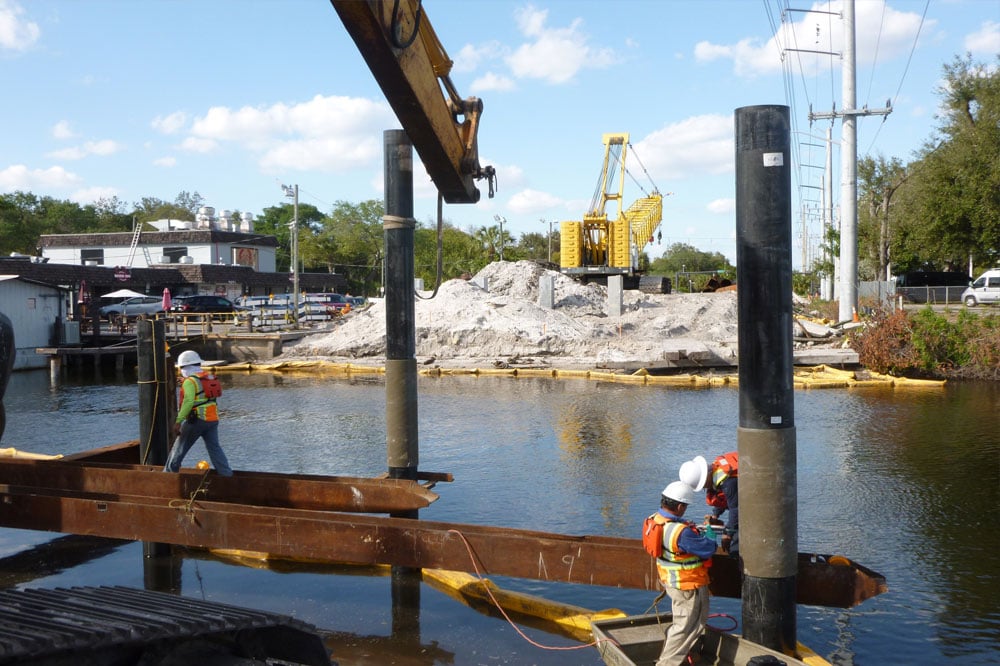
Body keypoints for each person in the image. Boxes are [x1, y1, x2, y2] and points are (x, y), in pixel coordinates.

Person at [652, 480, 718, 666]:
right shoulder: (682, 533)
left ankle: (679, 658)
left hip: (672, 582)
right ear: (680, 506)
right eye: (685, 507)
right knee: (686, 627)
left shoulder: (655, 520)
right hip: (687, 585)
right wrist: (710, 536)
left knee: (685, 624)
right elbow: (708, 548)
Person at [163, 350, 233, 476]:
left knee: (178, 449)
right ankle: (227, 476)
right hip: (212, 420)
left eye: (181, 368)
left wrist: (178, 421)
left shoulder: (190, 381)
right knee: (215, 449)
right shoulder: (208, 377)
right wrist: (186, 382)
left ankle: (168, 476)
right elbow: (202, 392)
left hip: (197, 420)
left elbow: (188, 402)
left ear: (184, 367)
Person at [679, 453, 738, 555]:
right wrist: (715, 515)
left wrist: (727, 533)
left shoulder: (729, 483)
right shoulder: (718, 471)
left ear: (706, 477)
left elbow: (736, 509)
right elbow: (725, 496)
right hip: (740, 502)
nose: (705, 488)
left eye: (703, 485)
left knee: (735, 546)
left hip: (755, 504)